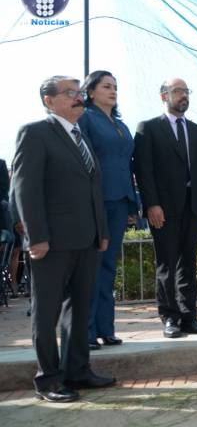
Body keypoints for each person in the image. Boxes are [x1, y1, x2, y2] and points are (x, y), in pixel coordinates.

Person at [13, 75, 114, 402]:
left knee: (80, 309)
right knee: (47, 314)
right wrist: (36, 236)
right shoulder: (36, 132)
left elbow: (93, 190)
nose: (78, 98)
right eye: (70, 93)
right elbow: (25, 189)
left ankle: (77, 370)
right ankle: (49, 380)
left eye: (78, 92)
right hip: (51, 243)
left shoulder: (79, 136)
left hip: (86, 240)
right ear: (49, 100)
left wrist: (102, 233)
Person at [133, 78, 197, 338]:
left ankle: (189, 316)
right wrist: (151, 204)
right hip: (164, 209)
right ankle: (169, 317)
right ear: (163, 96)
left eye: (186, 91)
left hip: (193, 207)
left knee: (188, 265)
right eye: (177, 91)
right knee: (167, 266)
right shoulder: (148, 128)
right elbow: (143, 171)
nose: (183, 96)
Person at [78, 70, 138, 350]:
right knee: (93, 266)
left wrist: (132, 204)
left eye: (115, 86)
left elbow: (127, 165)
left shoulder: (122, 125)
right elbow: (84, 160)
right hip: (97, 201)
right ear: (90, 92)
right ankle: (88, 331)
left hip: (121, 199)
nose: (113, 91)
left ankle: (106, 328)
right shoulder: (86, 119)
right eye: (106, 86)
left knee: (109, 267)